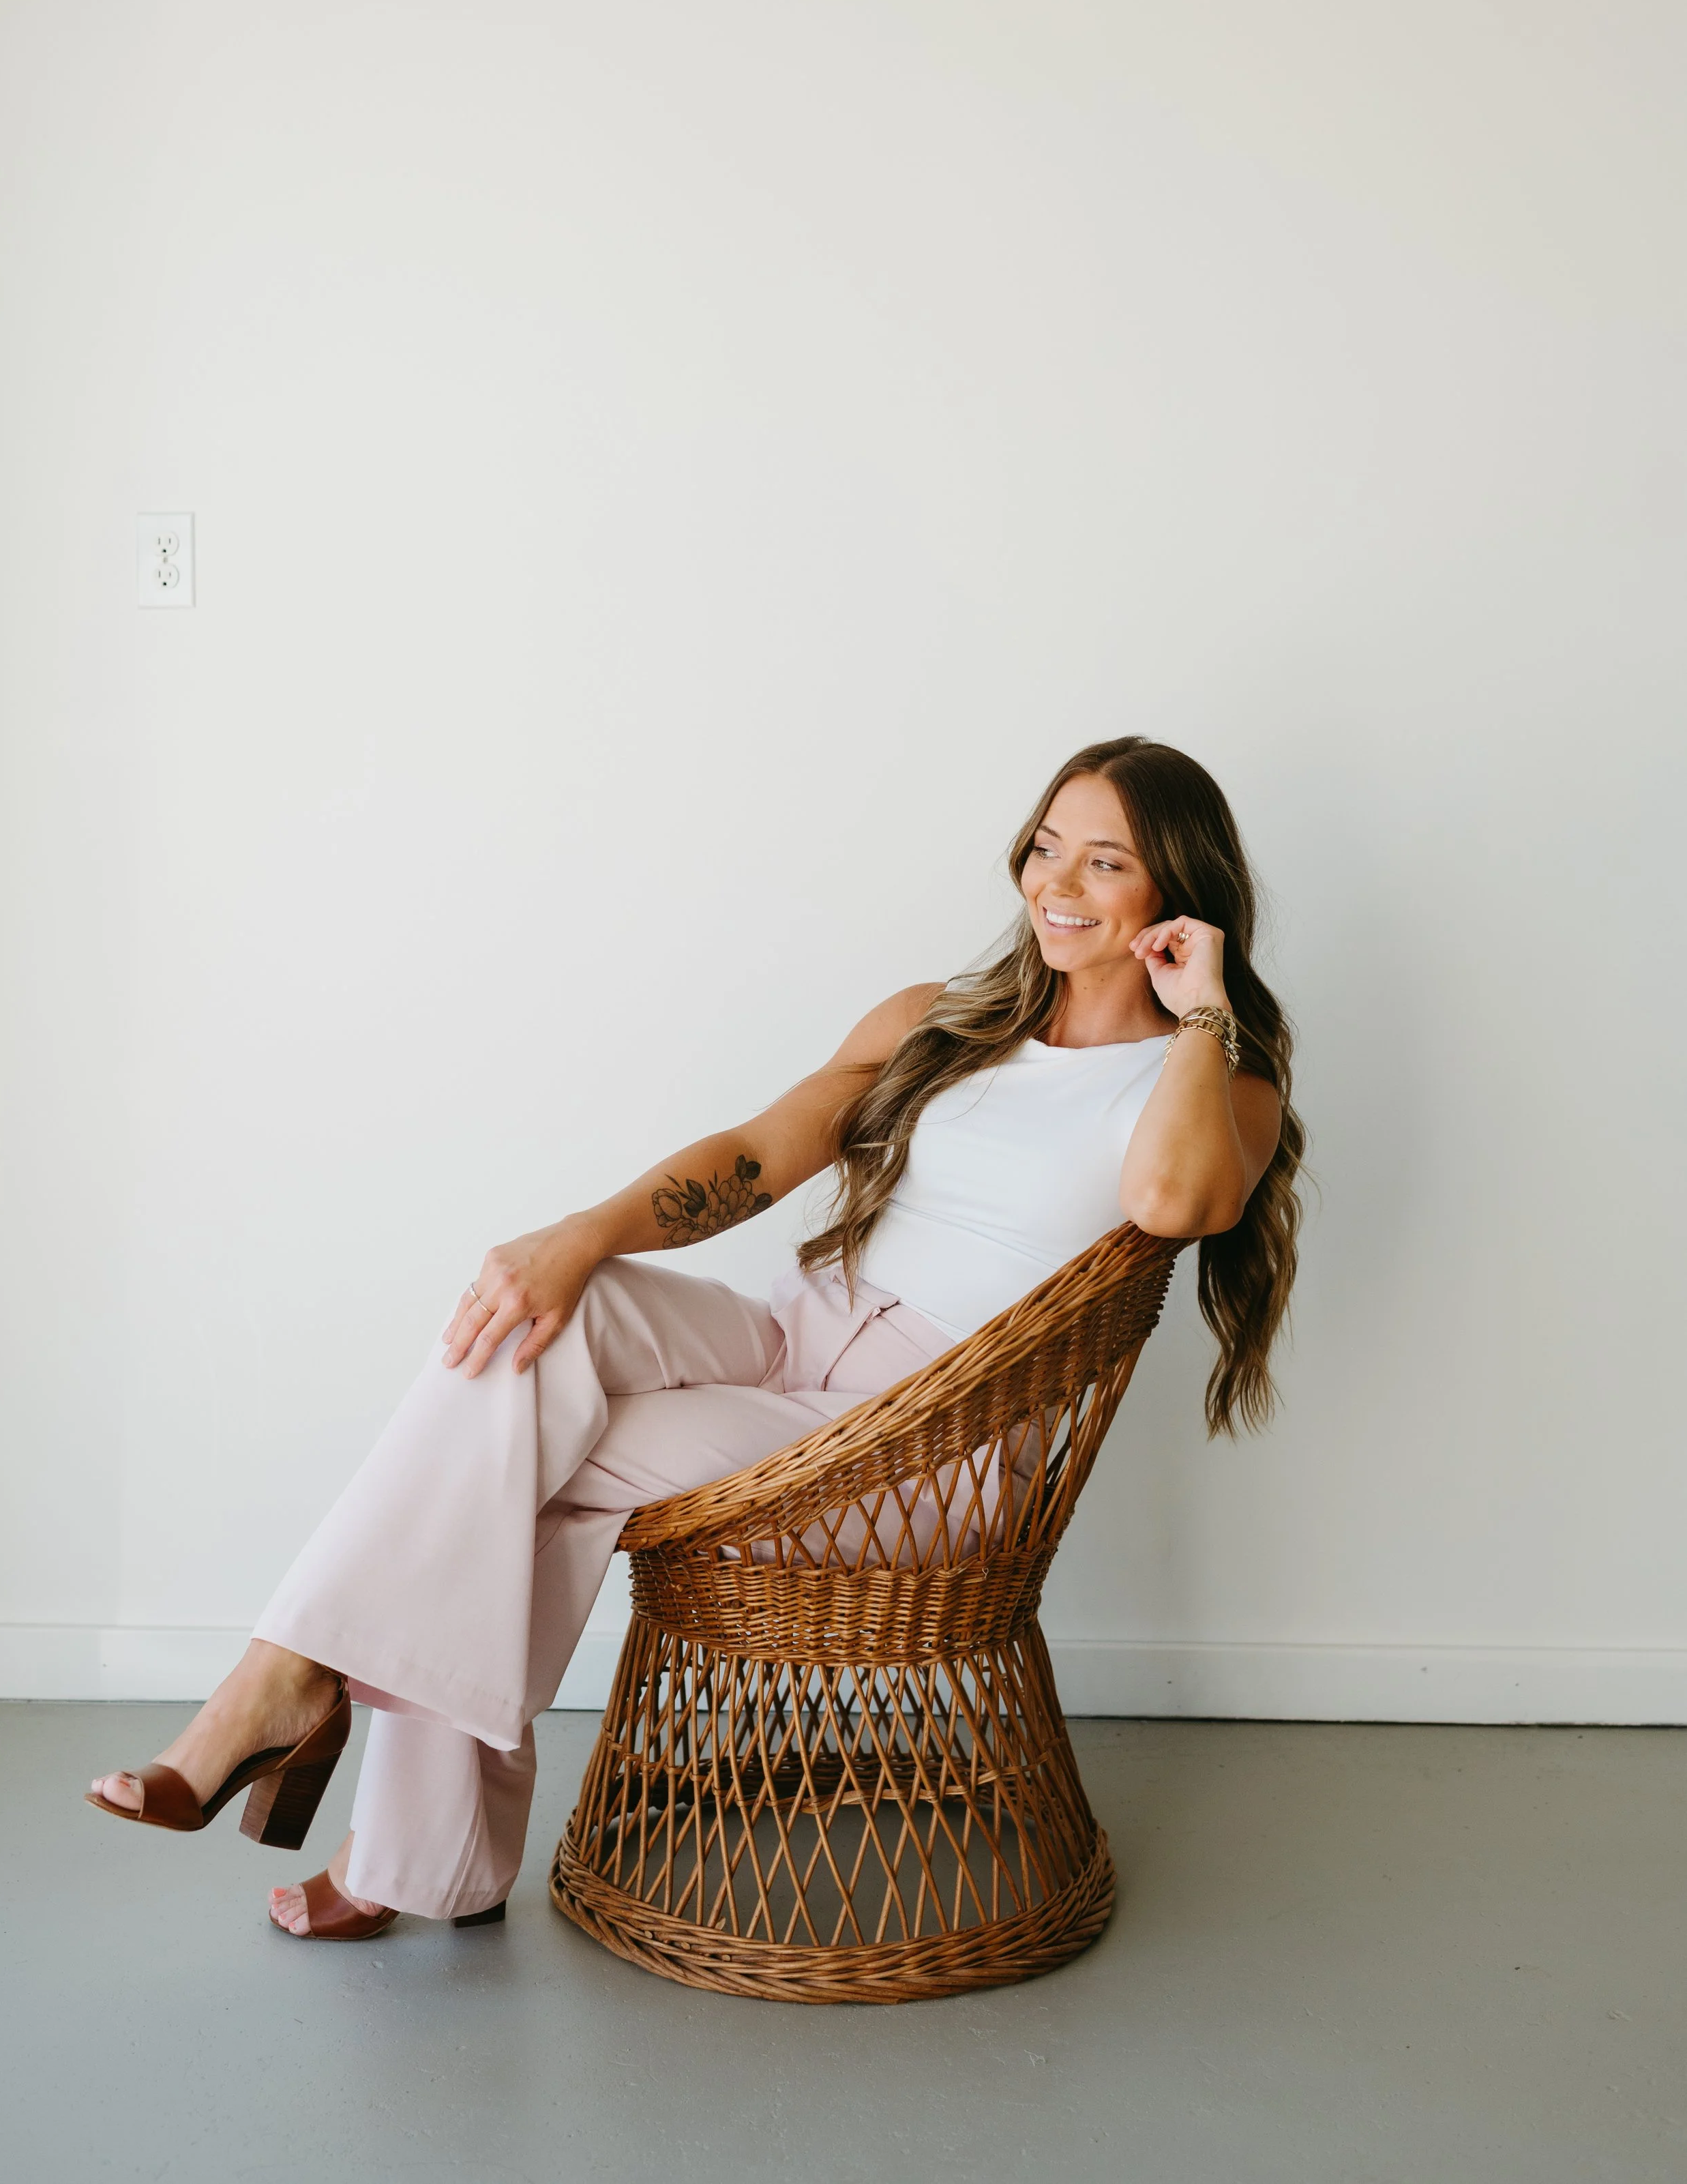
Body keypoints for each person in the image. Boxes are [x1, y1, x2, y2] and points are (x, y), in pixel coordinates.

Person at [86, 735, 1304, 1943]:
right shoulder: (942, 1018)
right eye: (1047, 848)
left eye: (1105, 864)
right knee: (536, 1326)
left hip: (926, 1441)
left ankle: (322, 1735)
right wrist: (582, 1235)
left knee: (527, 1453)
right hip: (794, 1338)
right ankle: (319, 1720)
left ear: (1176, 898)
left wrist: (1201, 1012)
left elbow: (1173, 1205)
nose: (1056, 886)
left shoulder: (1216, 1079)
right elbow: (762, 1156)